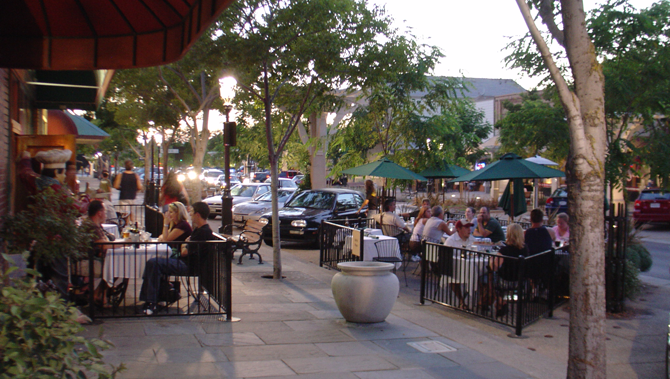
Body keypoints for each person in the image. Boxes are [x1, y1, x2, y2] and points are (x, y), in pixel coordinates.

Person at [140, 202, 215, 315]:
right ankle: (150, 300)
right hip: (185, 262)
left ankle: (151, 302)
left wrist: (185, 243)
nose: (190, 214)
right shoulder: (199, 229)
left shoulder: (203, 232)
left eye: (192, 212)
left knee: (154, 263)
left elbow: (184, 252)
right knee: (153, 263)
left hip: (189, 265)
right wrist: (186, 243)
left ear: (198, 215)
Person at [490, 223, 529, 317]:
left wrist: (492, 259)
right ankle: (500, 304)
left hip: (505, 280)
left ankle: (500, 302)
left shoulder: (504, 250)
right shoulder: (525, 249)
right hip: (520, 280)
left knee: (488, 278)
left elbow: (494, 267)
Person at [443, 220, 476, 309]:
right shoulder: (451, 241)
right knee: (452, 278)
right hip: (456, 268)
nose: (469, 230)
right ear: (459, 229)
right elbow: (446, 257)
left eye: (470, 227)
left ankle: (480, 302)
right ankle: (461, 300)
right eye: (466, 227)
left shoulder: (472, 239)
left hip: (470, 267)